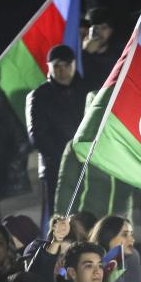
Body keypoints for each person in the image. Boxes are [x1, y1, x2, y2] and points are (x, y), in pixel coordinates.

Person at [25, 44, 89, 230]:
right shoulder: (39, 95)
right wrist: (62, 159)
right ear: (49, 67)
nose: (62, 70)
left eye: (66, 65)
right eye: (57, 66)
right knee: (60, 217)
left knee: (86, 215)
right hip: (56, 168)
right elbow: (37, 135)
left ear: (74, 64)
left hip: (86, 164)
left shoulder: (87, 90)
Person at [80, 8, 119, 88]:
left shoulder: (119, 54)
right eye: (95, 27)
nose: (99, 32)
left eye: (104, 27)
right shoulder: (78, 54)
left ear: (111, 30)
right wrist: (85, 53)